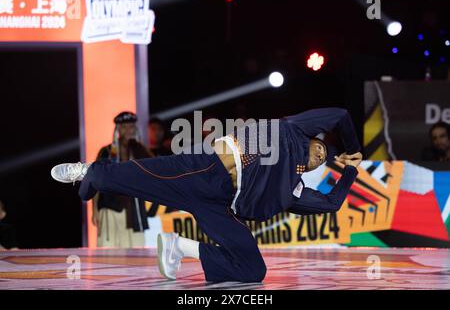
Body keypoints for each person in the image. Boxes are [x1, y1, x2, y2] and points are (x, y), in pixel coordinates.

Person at [51, 108, 362, 282]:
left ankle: (179, 246)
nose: (319, 156)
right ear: (312, 140)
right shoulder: (294, 129)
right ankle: (87, 171)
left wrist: (350, 171)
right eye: (319, 149)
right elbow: (341, 116)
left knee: (254, 269)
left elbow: (332, 203)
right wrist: (353, 149)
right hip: (207, 172)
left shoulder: (294, 190)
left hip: (221, 207)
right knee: (143, 177)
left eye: (322, 160)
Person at [91, 111, 152, 248]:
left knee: (135, 254)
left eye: (131, 126)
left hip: (133, 209)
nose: (128, 130)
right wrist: (94, 210)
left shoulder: (140, 150)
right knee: (108, 253)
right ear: (117, 129)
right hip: (110, 208)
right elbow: (95, 180)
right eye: (124, 127)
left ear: (135, 128)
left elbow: (153, 173)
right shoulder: (107, 151)